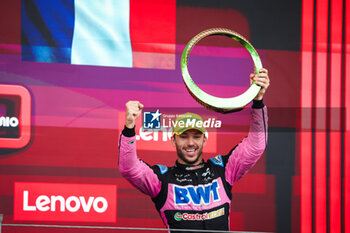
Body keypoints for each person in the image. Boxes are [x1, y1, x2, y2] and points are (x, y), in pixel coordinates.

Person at [118, 68, 270, 232]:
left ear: (204, 140)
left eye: (196, 137)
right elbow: (129, 169)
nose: (190, 143)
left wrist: (258, 100)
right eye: (183, 137)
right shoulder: (161, 179)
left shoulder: (223, 169)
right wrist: (129, 127)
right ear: (173, 140)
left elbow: (256, 145)